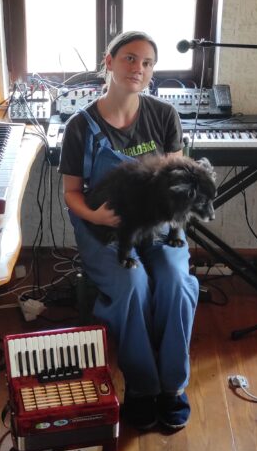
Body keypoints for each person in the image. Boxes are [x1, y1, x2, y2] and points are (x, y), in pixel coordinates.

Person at [58, 31, 199, 430]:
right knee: (133, 286)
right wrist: (96, 216)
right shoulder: (80, 127)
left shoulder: (164, 115)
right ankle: (141, 386)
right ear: (109, 62)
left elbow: (175, 179)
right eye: (130, 58)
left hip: (158, 227)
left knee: (176, 283)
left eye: (147, 63)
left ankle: (171, 387)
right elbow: (71, 193)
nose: (139, 68)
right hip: (106, 231)